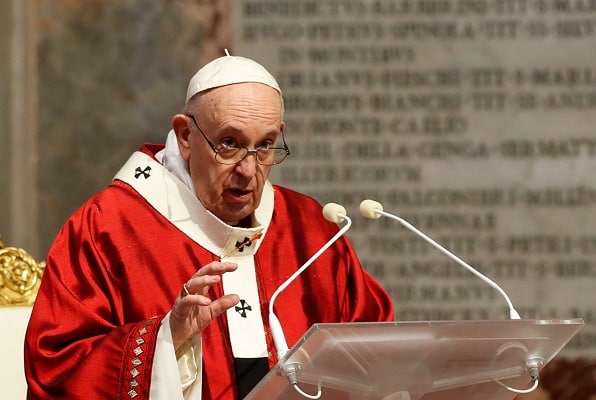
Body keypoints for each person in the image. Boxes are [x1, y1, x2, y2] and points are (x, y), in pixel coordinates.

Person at [24, 51, 394, 400]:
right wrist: (167, 339)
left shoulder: (310, 228)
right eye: (229, 143)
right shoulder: (108, 227)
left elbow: (376, 351)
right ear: (185, 135)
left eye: (265, 145)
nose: (248, 170)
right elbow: (57, 370)